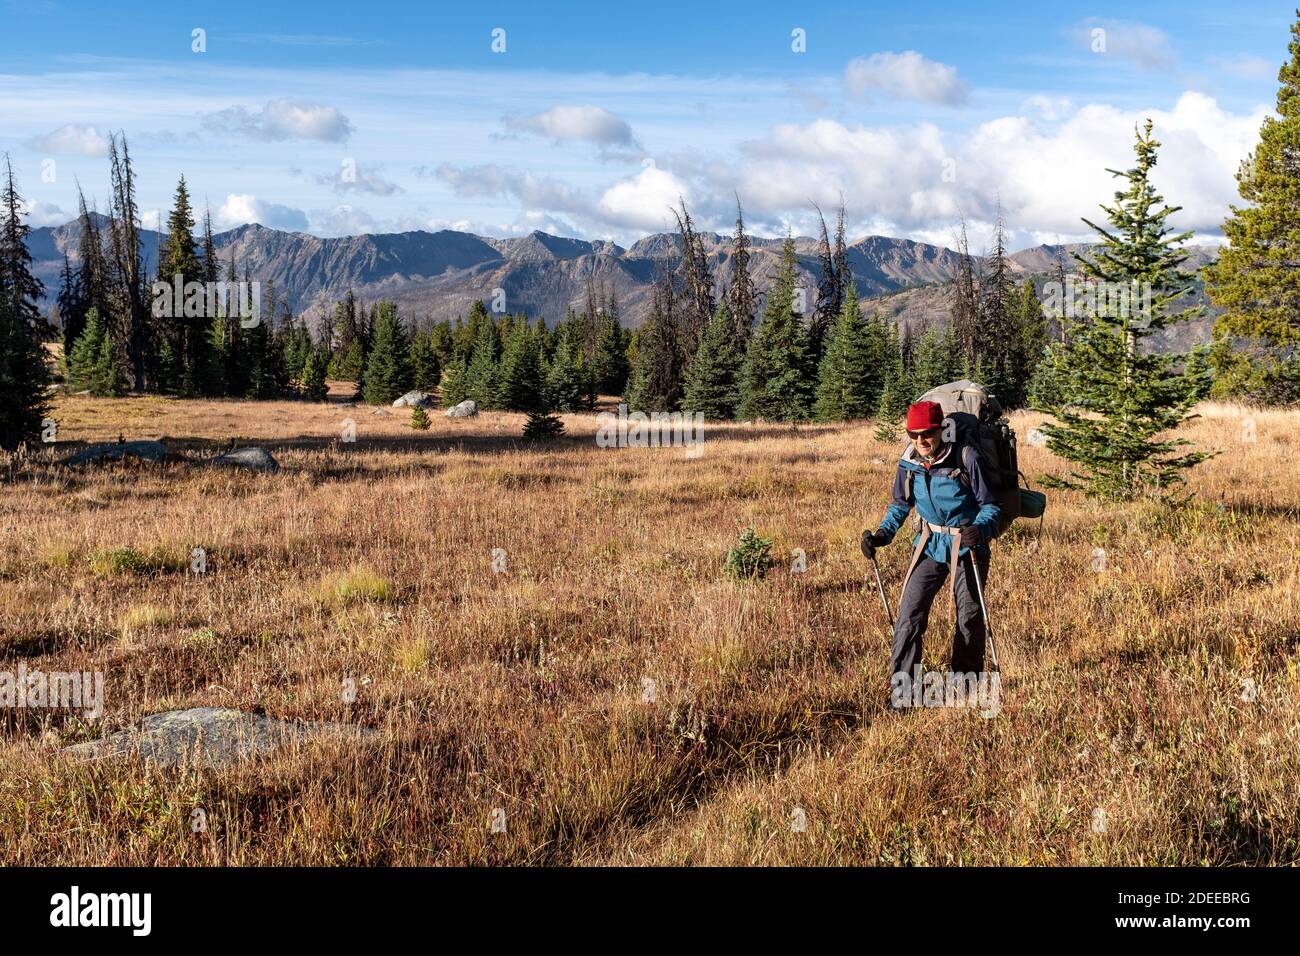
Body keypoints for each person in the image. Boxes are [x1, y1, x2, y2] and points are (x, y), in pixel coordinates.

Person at [860, 400, 1001, 708]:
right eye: (914, 434)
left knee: (969, 616)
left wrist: (980, 529)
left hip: (968, 544)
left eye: (927, 433)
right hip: (929, 543)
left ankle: (965, 687)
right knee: (909, 615)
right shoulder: (909, 461)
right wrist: (882, 534)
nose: (921, 441)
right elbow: (900, 504)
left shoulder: (966, 457)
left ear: (940, 430)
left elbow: (991, 505)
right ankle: (904, 694)